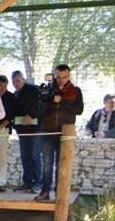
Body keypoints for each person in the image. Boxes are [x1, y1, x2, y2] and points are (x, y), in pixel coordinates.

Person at [36, 64, 83, 201]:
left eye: (64, 77)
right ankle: (45, 192)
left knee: (62, 165)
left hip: (65, 133)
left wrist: (61, 101)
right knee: (46, 163)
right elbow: (39, 111)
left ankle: (60, 193)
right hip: (48, 131)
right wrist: (47, 99)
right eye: (59, 77)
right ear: (55, 76)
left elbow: (79, 110)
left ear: (69, 76)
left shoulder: (75, 91)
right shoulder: (48, 89)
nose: (61, 80)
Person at [11, 70, 43, 192]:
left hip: (35, 130)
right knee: (25, 156)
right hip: (22, 130)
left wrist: (31, 115)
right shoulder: (15, 94)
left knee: (35, 156)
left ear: (23, 79)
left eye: (18, 81)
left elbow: (40, 104)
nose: (16, 84)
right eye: (14, 82)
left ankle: (38, 183)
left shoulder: (34, 89)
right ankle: (27, 182)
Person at [0, 75, 16, 192]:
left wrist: (0, 127)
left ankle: (0, 182)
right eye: (0, 85)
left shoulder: (10, 97)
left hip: (3, 129)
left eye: (5, 86)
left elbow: (11, 115)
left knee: (1, 156)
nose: (3, 88)